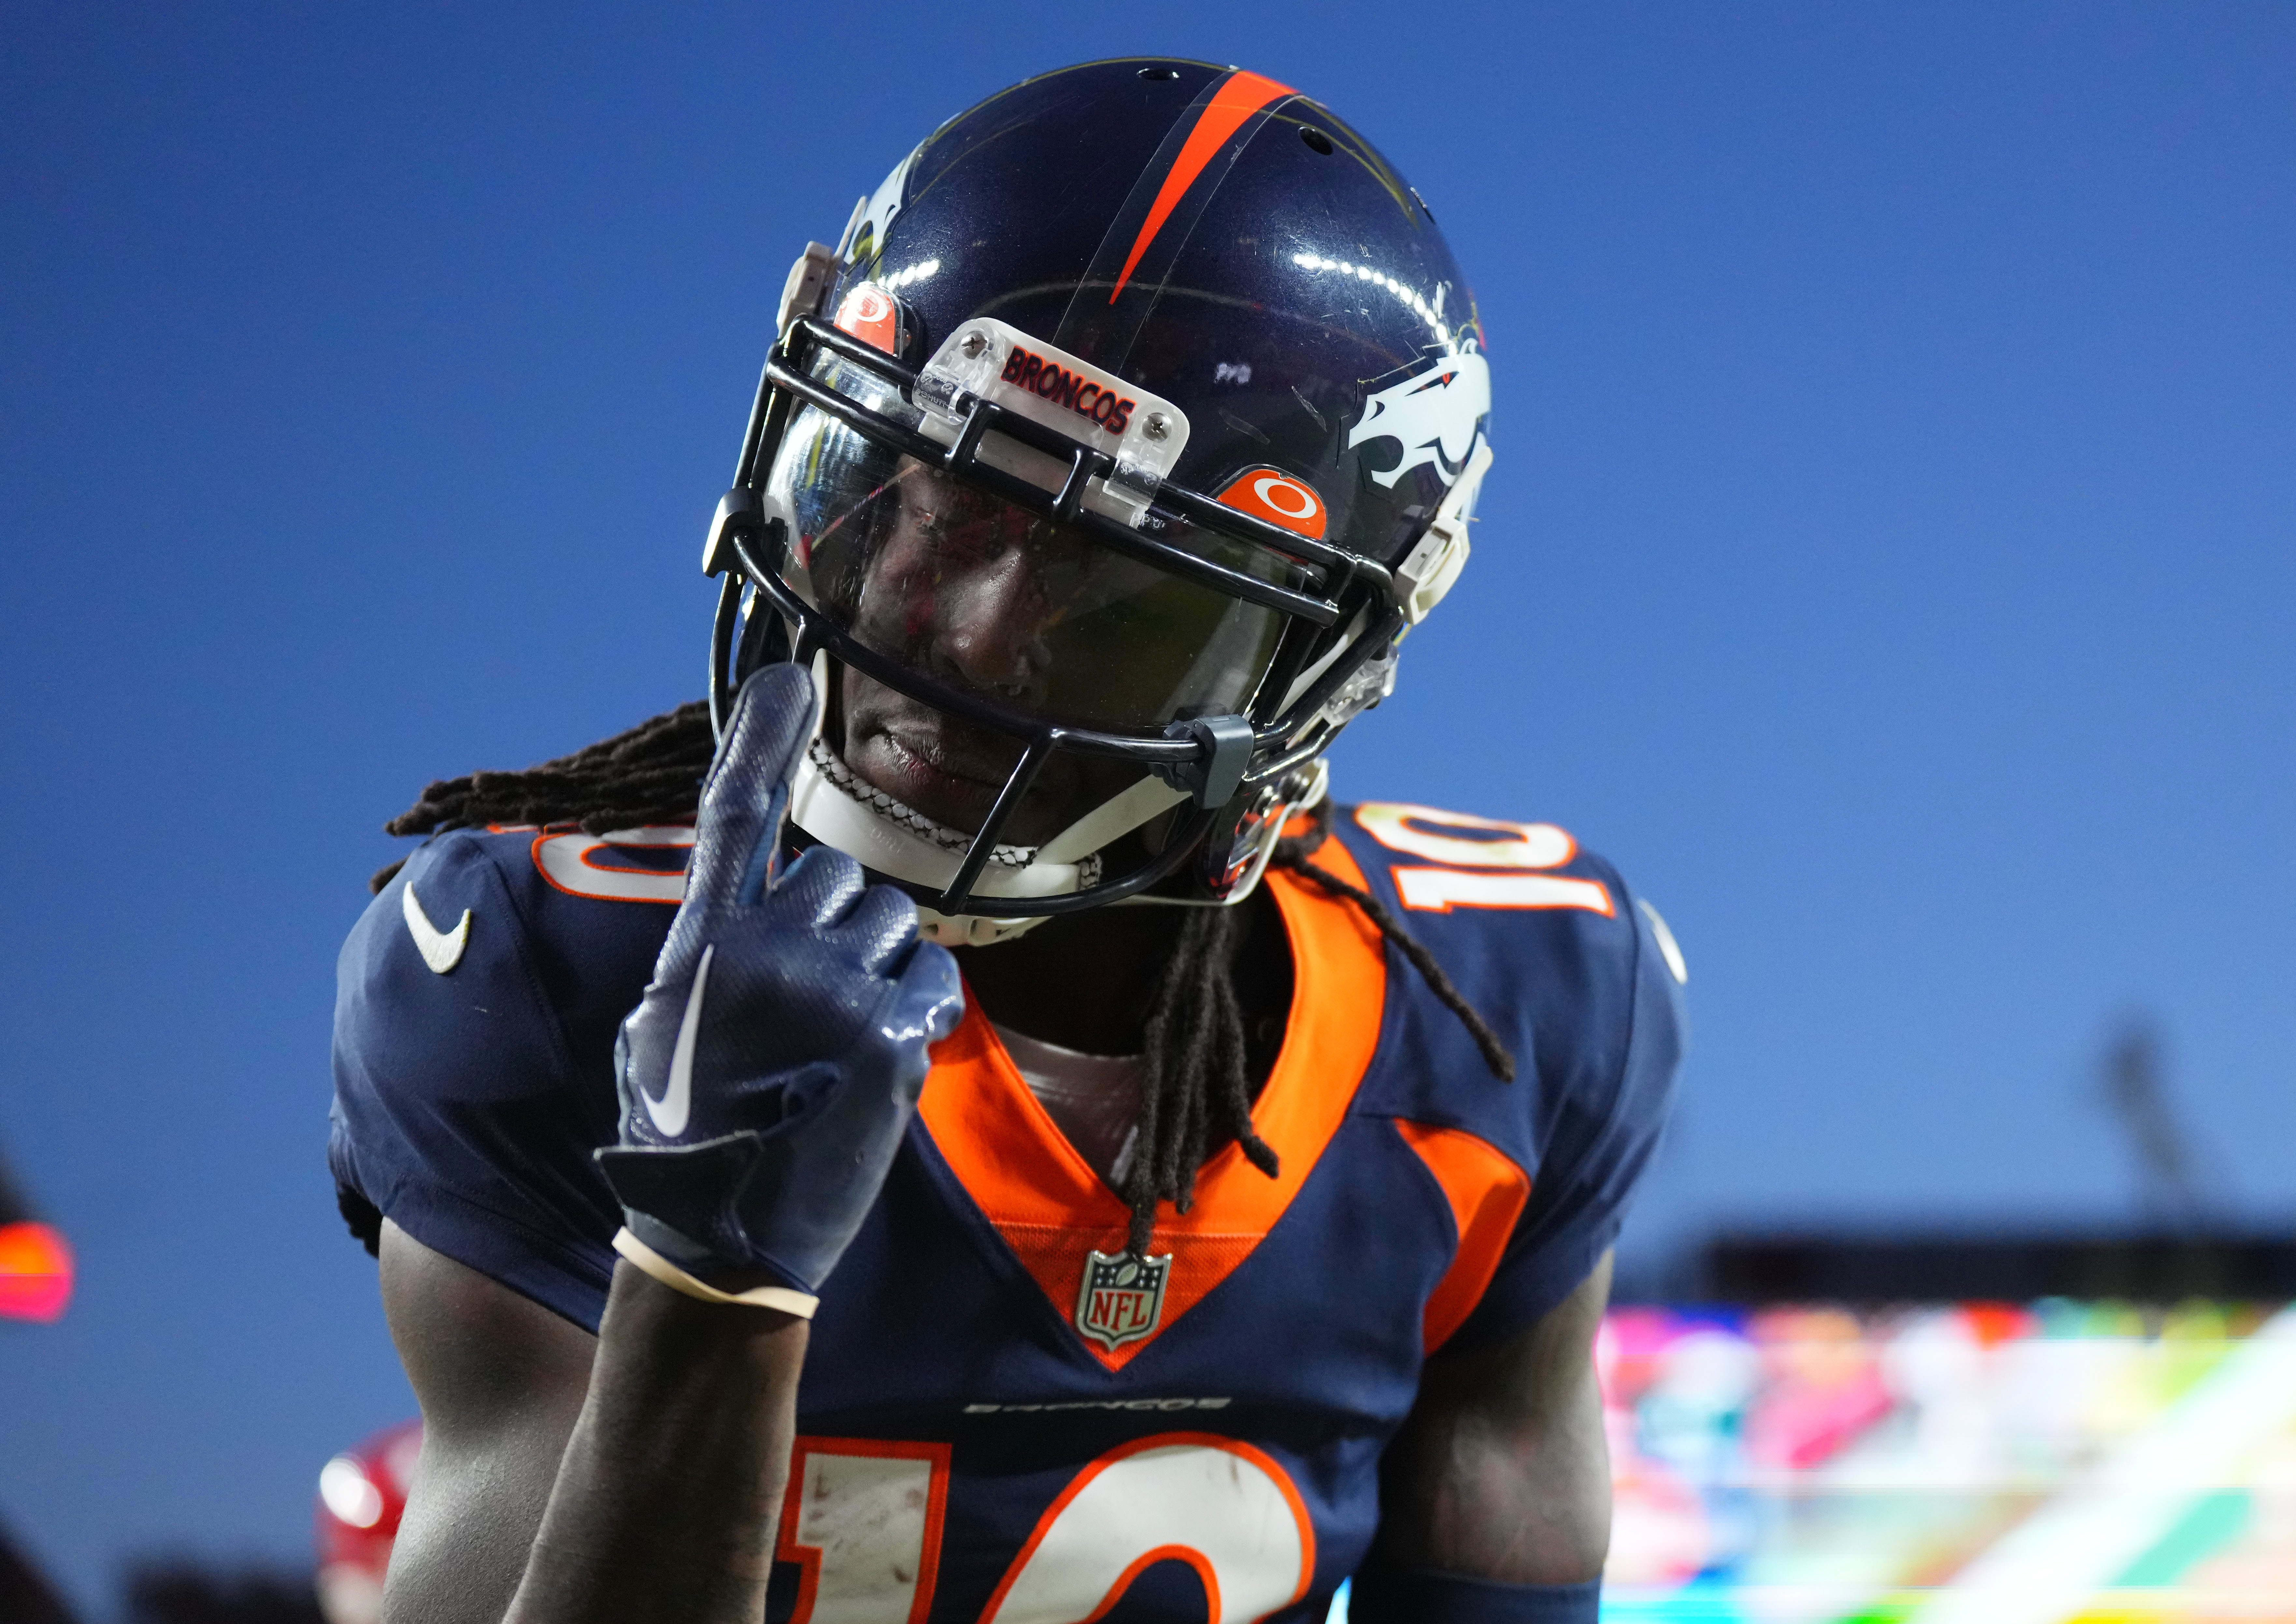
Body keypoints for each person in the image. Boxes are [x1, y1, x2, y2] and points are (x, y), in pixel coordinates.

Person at [329, 57, 1685, 1624]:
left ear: (1318, 665)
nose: (965, 636)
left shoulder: (1512, 1010)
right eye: (927, 497)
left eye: (1120, 594)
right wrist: (708, 1284)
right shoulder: (541, 964)